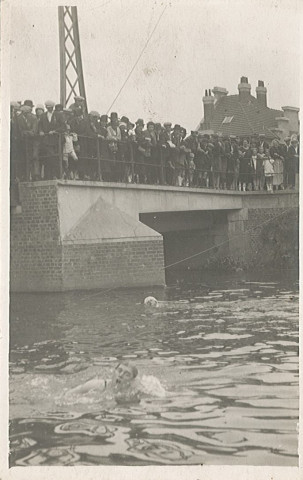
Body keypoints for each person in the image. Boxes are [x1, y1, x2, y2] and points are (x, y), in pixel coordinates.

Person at [67, 362, 141, 404]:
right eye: (119, 370)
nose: (121, 375)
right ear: (113, 372)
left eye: (127, 374)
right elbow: (67, 395)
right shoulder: (95, 385)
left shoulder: (133, 393)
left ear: (131, 380)